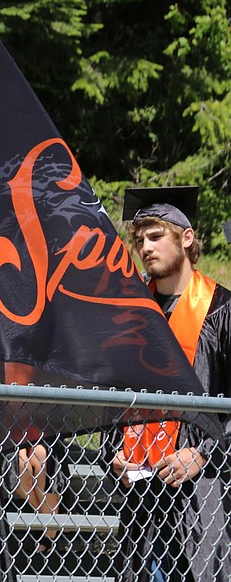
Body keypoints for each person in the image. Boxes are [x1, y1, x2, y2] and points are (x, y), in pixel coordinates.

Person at [109, 186, 231, 582]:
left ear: (187, 238)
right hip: (140, 500)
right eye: (139, 238)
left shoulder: (222, 311)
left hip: (202, 494)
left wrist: (203, 454)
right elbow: (110, 394)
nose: (145, 246)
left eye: (156, 235)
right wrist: (112, 452)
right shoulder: (129, 316)